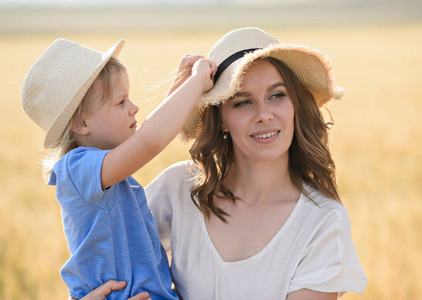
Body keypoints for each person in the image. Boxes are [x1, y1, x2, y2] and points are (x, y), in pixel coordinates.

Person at [145, 27, 368, 299]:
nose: (264, 115)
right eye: (242, 102)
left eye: (277, 95)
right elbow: (104, 252)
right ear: (222, 119)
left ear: (295, 105)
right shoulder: (178, 188)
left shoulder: (322, 219)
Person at [21, 38, 216, 300]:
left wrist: (180, 87)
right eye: (121, 102)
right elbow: (149, 140)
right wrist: (196, 83)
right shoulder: (77, 169)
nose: (134, 108)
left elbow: (145, 133)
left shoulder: (102, 166)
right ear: (81, 122)